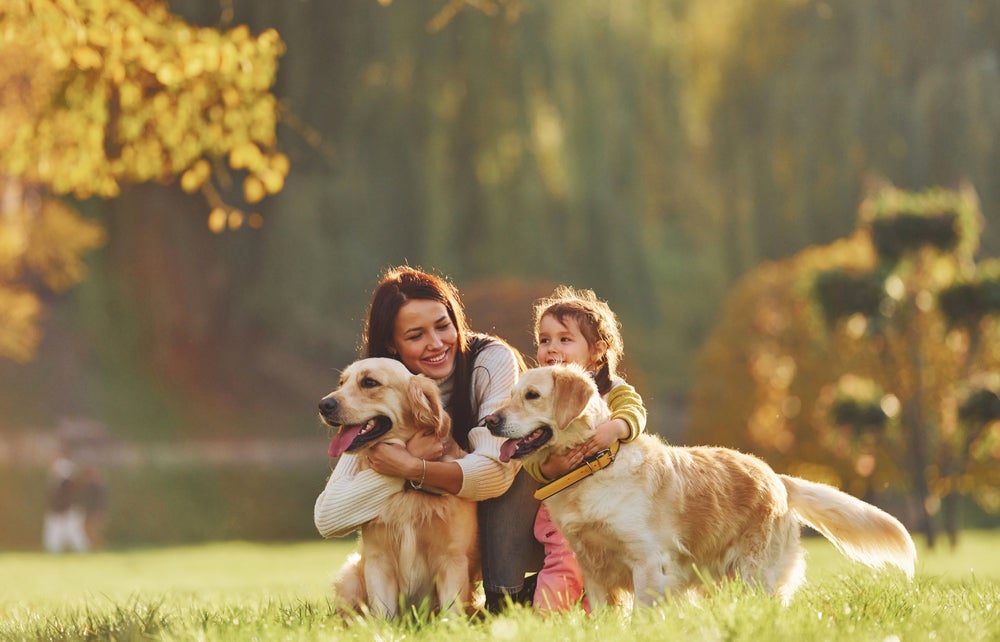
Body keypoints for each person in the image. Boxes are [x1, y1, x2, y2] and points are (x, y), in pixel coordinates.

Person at [314, 265, 544, 612]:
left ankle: (506, 598)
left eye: (443, 325)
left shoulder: (489, 361)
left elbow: (495, 472)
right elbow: (329, 518)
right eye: (416, 335)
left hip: (503, 510)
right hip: (418, 538)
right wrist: (394, 469)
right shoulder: (376, 388)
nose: (436, 343)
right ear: (393, 343)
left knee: (514, 462)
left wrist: (413, 468)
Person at [525, 285, 648, 612]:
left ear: (597, 350)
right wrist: (546, 469)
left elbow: (635, 412)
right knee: (565, 566)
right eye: (544, 339)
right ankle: (546, 624)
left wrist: (616, 428)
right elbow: (527, 452)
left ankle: (600, 628)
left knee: (604, 576)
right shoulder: (540, 394)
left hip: (609, 506)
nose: (552, 348)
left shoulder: (613, 390)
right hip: (564, 510)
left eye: (565, 339)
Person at [43, 453, 89, 553]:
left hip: (68, 511)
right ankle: (54, 550)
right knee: (56, 532)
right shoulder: (59, 484)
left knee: (73, 532)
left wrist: (63, 510)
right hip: (61, 511)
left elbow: (68, 499)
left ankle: (81, 551)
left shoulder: (68, 484)